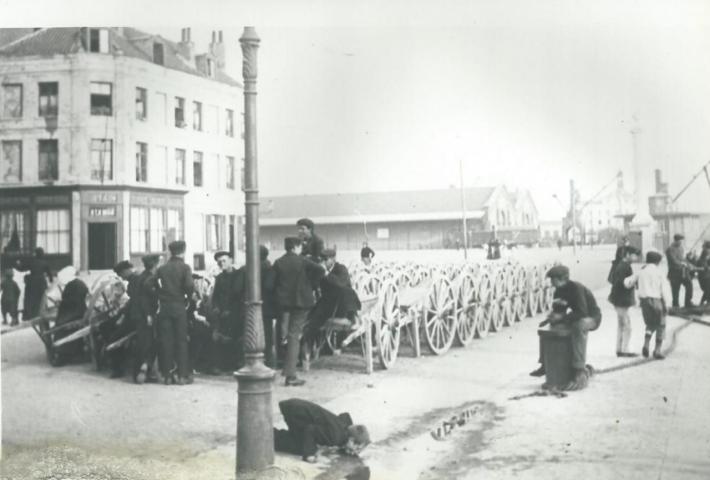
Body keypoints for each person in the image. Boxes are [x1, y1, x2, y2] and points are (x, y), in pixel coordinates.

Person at [530, 265, 602, 390]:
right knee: (548, 329)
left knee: (578, 326)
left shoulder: (576, 288)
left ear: (563, 279)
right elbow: (559, 311)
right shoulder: (559, 291)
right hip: (576, 316)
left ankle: (579, 367)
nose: (551, 283)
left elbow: (582, 312)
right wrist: (552, 318)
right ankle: (545, 364)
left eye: (553, 280)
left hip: (592, 318)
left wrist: (562, 318)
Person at [273, 237, 325, 386]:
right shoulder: (303, 261)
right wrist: (310, 283)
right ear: (296, 247)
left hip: (284, 304)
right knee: (294, 336)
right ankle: (291, 375)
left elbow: (271, 283)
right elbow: (320, 270)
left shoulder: (278, 262)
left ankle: (285, 367)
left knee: (284, 333)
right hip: (301, 303)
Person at [274, 398, 370, 463]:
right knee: (300, 447)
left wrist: (345, 445)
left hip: (297, 406)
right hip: (295, 411)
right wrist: (309, 454)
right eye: (356, 448)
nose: (355, 453)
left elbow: (345, 415)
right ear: (351, 440)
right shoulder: (336, 437)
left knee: (304, 441)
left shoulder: (345, 427)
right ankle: (267, 436)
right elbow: (310, 430)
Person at [156, 240, 194, 385]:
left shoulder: (162, 268)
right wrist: (188, 297)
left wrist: (161, 294)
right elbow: (189, 285)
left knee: (166, 341)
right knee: (181, 341)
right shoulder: (185, 268)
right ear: (183, 251)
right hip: (179, 307)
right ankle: (182, 375)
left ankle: (166, 375)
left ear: (171, 252)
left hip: (165, 308)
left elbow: (150, 284)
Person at [304, 249, 361, 344]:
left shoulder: (341, 269)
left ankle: (338, 342)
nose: (323, 262)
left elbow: (341, 284)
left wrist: (326, 273)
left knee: (339, 322)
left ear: (333, 259)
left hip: (343, 303)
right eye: (322, 259)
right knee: (312, 321)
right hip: (327, 301)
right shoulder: (320, 270)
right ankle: (310, 345)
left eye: (326, 259)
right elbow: (314, 284)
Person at [624, 251, 671, 359]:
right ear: (657, 262)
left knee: (650, 324)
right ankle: (657, 350)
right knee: (661, 325)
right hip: (657, 300)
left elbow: (627, 282)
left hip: (644, 302)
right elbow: (665, 290)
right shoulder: (659, 272)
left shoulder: (641, 271)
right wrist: (667, 304)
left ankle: (646, 344)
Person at [208, 250, 246, 372]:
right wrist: (217, 307)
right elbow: (216, 297)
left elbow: (241, 296)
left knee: (238, 338)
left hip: (237, 313)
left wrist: (231, 310)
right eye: (219, 262)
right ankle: (223, 365)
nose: (221, 264)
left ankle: (238, 364)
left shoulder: (240, 275)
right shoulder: (219, 278)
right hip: (222, 314)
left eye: (224, 261)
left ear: (231, 261)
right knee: (222, 338)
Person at [132, 254, 160, 384]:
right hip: (146, 315)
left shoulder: (140, 277)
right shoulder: (150, 279)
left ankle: (140, 370)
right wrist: (149, 314)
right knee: (149, 343)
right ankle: (145, 368)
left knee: (142, 342)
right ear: (155, 264)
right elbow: (145, 299)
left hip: (138, 315)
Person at [608, 246, 640, 357]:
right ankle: (625, 350)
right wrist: (633, 281)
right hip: (621, 300)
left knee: (622, 324)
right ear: (627, 254)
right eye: (634, 255)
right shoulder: (624, 267)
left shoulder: (622, 265)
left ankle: (620, 349)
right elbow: (622, 284)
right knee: (627, 325)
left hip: (618, 299)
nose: (636, 257)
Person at [16, 247, 53, 320]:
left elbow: (21, 268)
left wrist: (17, 263)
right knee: (40, 298)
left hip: (31, 282)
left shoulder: (32, 262)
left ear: (35, 254)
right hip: (41, 283)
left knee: (29, 298)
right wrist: (50, 280)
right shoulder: (45, 263)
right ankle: (39, 314)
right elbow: (50, 274)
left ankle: (28, 316)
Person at [260, 245, 279, 368]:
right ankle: (270, 362)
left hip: (256, 305)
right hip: (268, 307)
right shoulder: (271, 268)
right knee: (268, 336)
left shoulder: (251, 269)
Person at [665, 234, 694, 308]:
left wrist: (688, 260)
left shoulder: (681, 248)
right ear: (675, 240)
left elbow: (682, 258)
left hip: (683, 272)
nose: (681, 243)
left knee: (689, 285)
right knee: (675, 290)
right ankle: (675, 304)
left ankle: (688, 302)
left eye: (682, 241)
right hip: (674, 272)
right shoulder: (670, 249)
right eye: (680, 241)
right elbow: (673, 260)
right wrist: (682, 263)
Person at [698, 241, 710, 305]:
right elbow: (702, 263)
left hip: (706, 275)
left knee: (708, 289)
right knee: (708, 289)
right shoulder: (705, 252)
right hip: (704, 276)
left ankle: (704, 302)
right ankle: (705, 302)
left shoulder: (706, 252)